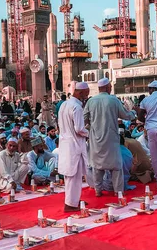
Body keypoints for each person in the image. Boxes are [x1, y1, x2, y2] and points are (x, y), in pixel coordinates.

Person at [84, 78, 135, 196]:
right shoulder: (113, 100)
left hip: (96, 139)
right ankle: (118, 191)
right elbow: (126, 115)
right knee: (116, 166)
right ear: (107, 87)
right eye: (110, 86)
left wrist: (90, 126)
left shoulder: (91, 101)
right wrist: (133, 113)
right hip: (111, 138)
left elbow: (84, 118)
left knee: (97, 166)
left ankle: (98, 191)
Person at [58, 82, 89, 211]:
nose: (87, 96)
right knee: (74, 176)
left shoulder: (64, 105)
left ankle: (73, 200)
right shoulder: (77, 107)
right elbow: (79, 129)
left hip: (65, 142)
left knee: (70, 175)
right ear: (80, 93)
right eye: (86, 93)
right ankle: (70, 204)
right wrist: (89, 132)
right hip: (74, 144)